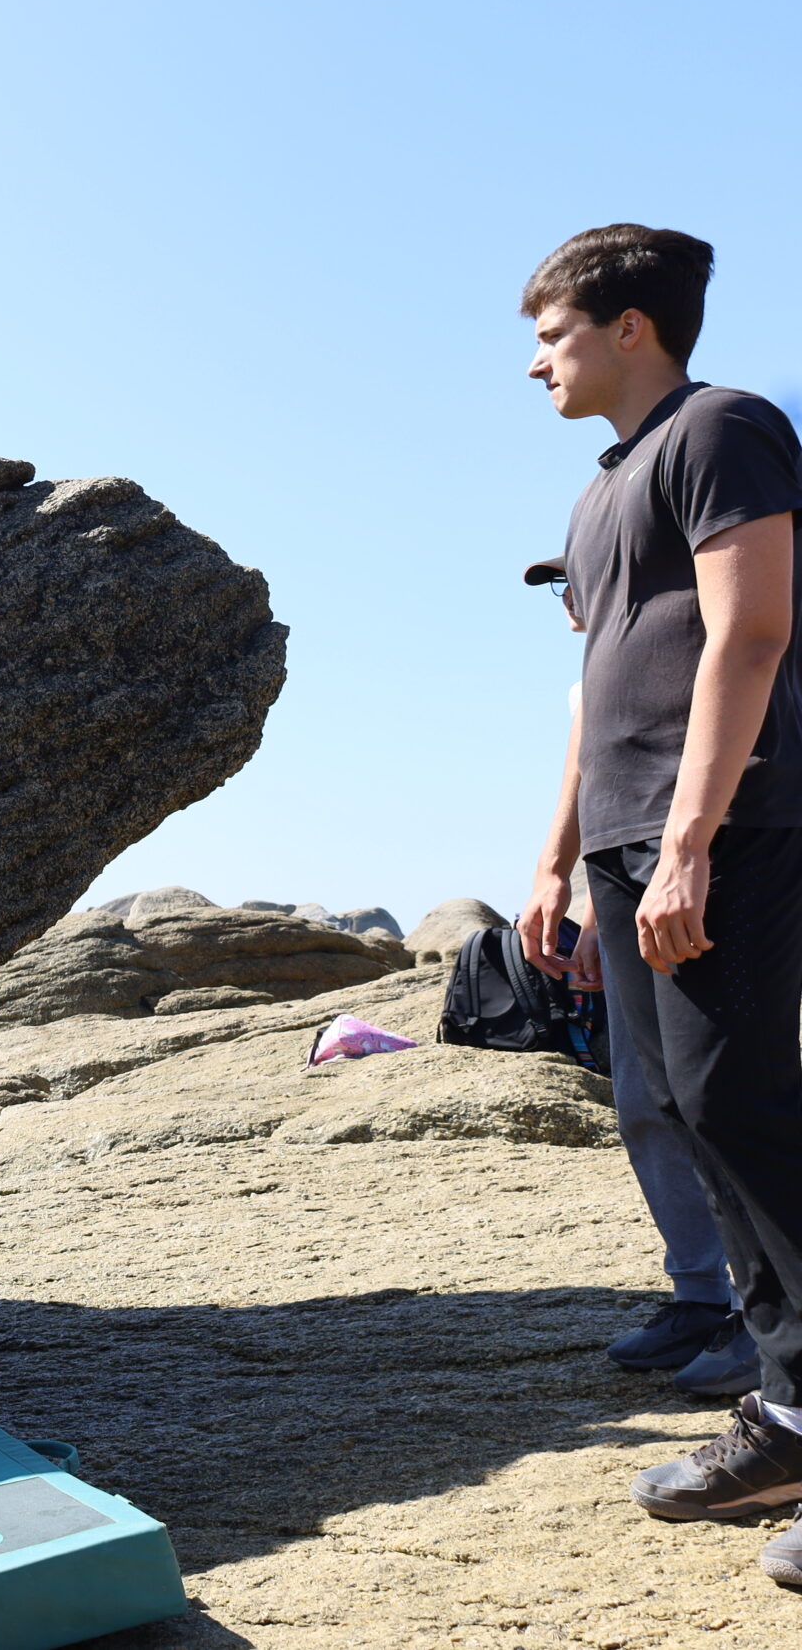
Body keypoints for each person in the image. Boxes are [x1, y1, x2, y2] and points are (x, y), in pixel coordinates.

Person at [513, 224, 802, 1589]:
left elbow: (752, 631)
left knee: (744, 1104)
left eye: (552, 334)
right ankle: (787, 1415)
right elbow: (596, 689)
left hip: (727, 827)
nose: (536, 364)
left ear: (630, 325)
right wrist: (555, 860)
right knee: (690, 1109)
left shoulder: (720, 429)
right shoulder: (597, 492)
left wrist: (689, 841)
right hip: (627, 840)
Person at [523, 558, 754, 1397]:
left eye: (577, 579)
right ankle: (702, 1295)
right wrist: (571, 884)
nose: (571, 600)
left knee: (722, 1096)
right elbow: (588, 770)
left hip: (716, 869)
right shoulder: (595, 674)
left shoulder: (694, 641)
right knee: (644, 1098)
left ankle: (763, 1316)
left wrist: (689, 860)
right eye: (563, 585)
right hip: (622, 880)